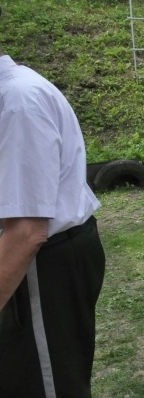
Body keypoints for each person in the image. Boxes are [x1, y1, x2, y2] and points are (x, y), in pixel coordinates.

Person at [0, 21, 105, 396]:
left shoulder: (17, 103)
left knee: (47, 387)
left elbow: (27, 230)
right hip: (37, 261)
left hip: (42, 267)